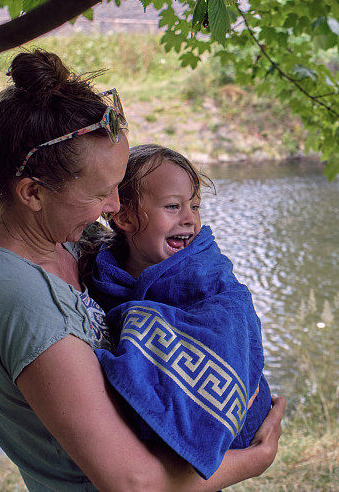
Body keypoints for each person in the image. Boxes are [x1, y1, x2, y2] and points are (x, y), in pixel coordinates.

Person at [0, 49, 285, 491]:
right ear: (33, 192)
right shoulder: (22, 304)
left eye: (117, 188)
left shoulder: (68, 238)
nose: (113, 209)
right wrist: (252, 459)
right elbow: (134, 484)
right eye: (99, 194)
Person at [80, 144, 272, 479]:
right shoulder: (102, 275)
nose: (190, 219)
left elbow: (232, 319)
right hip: (145, 460)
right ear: (123, 216)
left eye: (195, 206)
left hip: (237, 418)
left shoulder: (204, 271)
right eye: (173, 206)